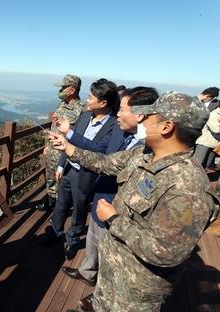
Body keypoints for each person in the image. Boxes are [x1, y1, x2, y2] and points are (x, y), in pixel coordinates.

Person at [50, 91, 220, 311]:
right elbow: (106, 163)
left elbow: (167, 252)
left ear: (166, 127)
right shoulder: (145, 154)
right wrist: (68, 148)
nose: (140, 119)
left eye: (147, 115)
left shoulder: (187, 187)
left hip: (136, 292)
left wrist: (113, 218)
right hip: (112, 276)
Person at [56, 87, 159, 310]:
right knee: (94, 240)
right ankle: (87, 273)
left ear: (140, 114)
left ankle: (99, 294)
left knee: (111, 256)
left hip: (123, 215)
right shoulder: (121, 132)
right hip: (103, 197)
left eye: (122, 110)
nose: (118, 114)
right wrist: (68, 146)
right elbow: (103, 157)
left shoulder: (151, 149)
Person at [40, 78, 119, 262]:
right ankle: (55, 231)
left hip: (87, 174)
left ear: (103, 102)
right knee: (61, 202)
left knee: (79, 209)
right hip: (69, 168)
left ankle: (72, 240)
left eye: (91, 97)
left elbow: (97, 150)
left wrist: (69, 133)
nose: (88, 99)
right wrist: (61, 164)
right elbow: (68, 144)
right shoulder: (85, 116)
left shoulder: (113, 125)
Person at [41, 74, 86, 211]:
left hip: (65, 153)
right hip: (52, 150)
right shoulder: (62, 104)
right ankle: (50, 202)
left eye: (63, 87)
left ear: (72, 90)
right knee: (50, 178)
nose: (60, 90)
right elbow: (53, 127)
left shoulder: (82, 109)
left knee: (62, 182)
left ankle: (60, 210)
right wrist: (46, 146)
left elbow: (80, 134)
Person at [194, 97, 220, 168]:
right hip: (205, 142)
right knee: (197, 163)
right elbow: (216, 130)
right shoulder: (214, 114)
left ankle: (203, 178)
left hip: (216, 143)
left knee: (207, 165)